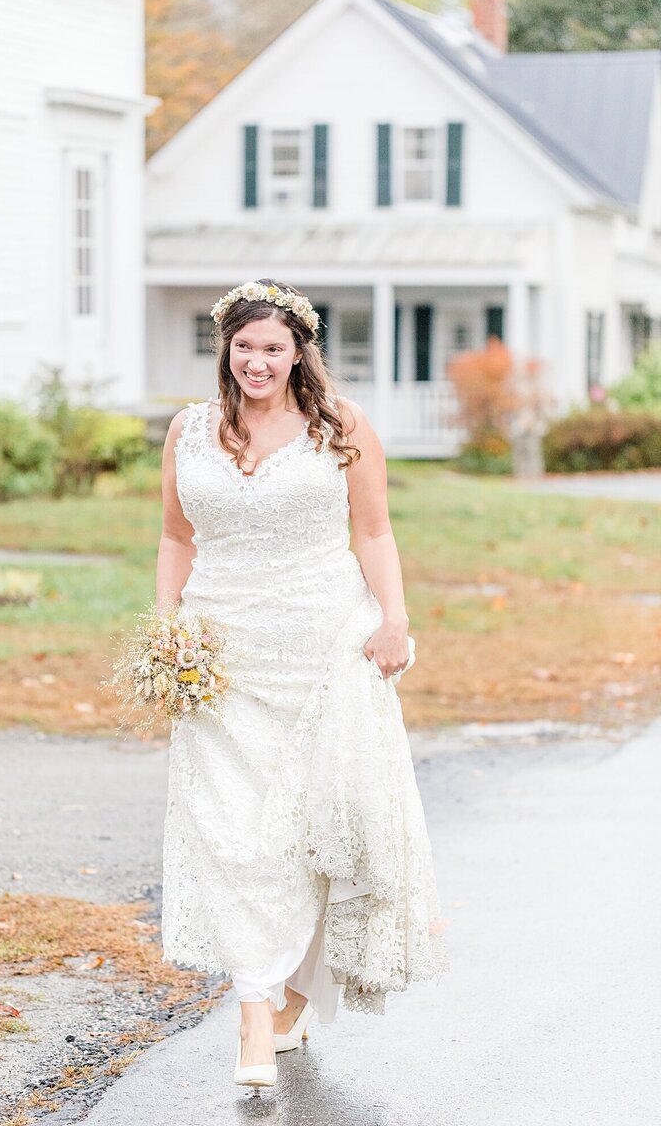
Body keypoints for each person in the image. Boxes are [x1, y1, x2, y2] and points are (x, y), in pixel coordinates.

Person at [155, 279, 448, 1090]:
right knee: (232, 832)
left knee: (314, 829)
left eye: (273, 348)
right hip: (222, 656)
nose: (257, 361)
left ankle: (290, 996)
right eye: (243, 347)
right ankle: (255, 1010)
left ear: (299, 353)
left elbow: (374, 530)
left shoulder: (341, 427)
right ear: (226, 349)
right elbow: (176, 538)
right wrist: (167, 626)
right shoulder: (189, 431)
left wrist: (394, 618)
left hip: (324, 648)